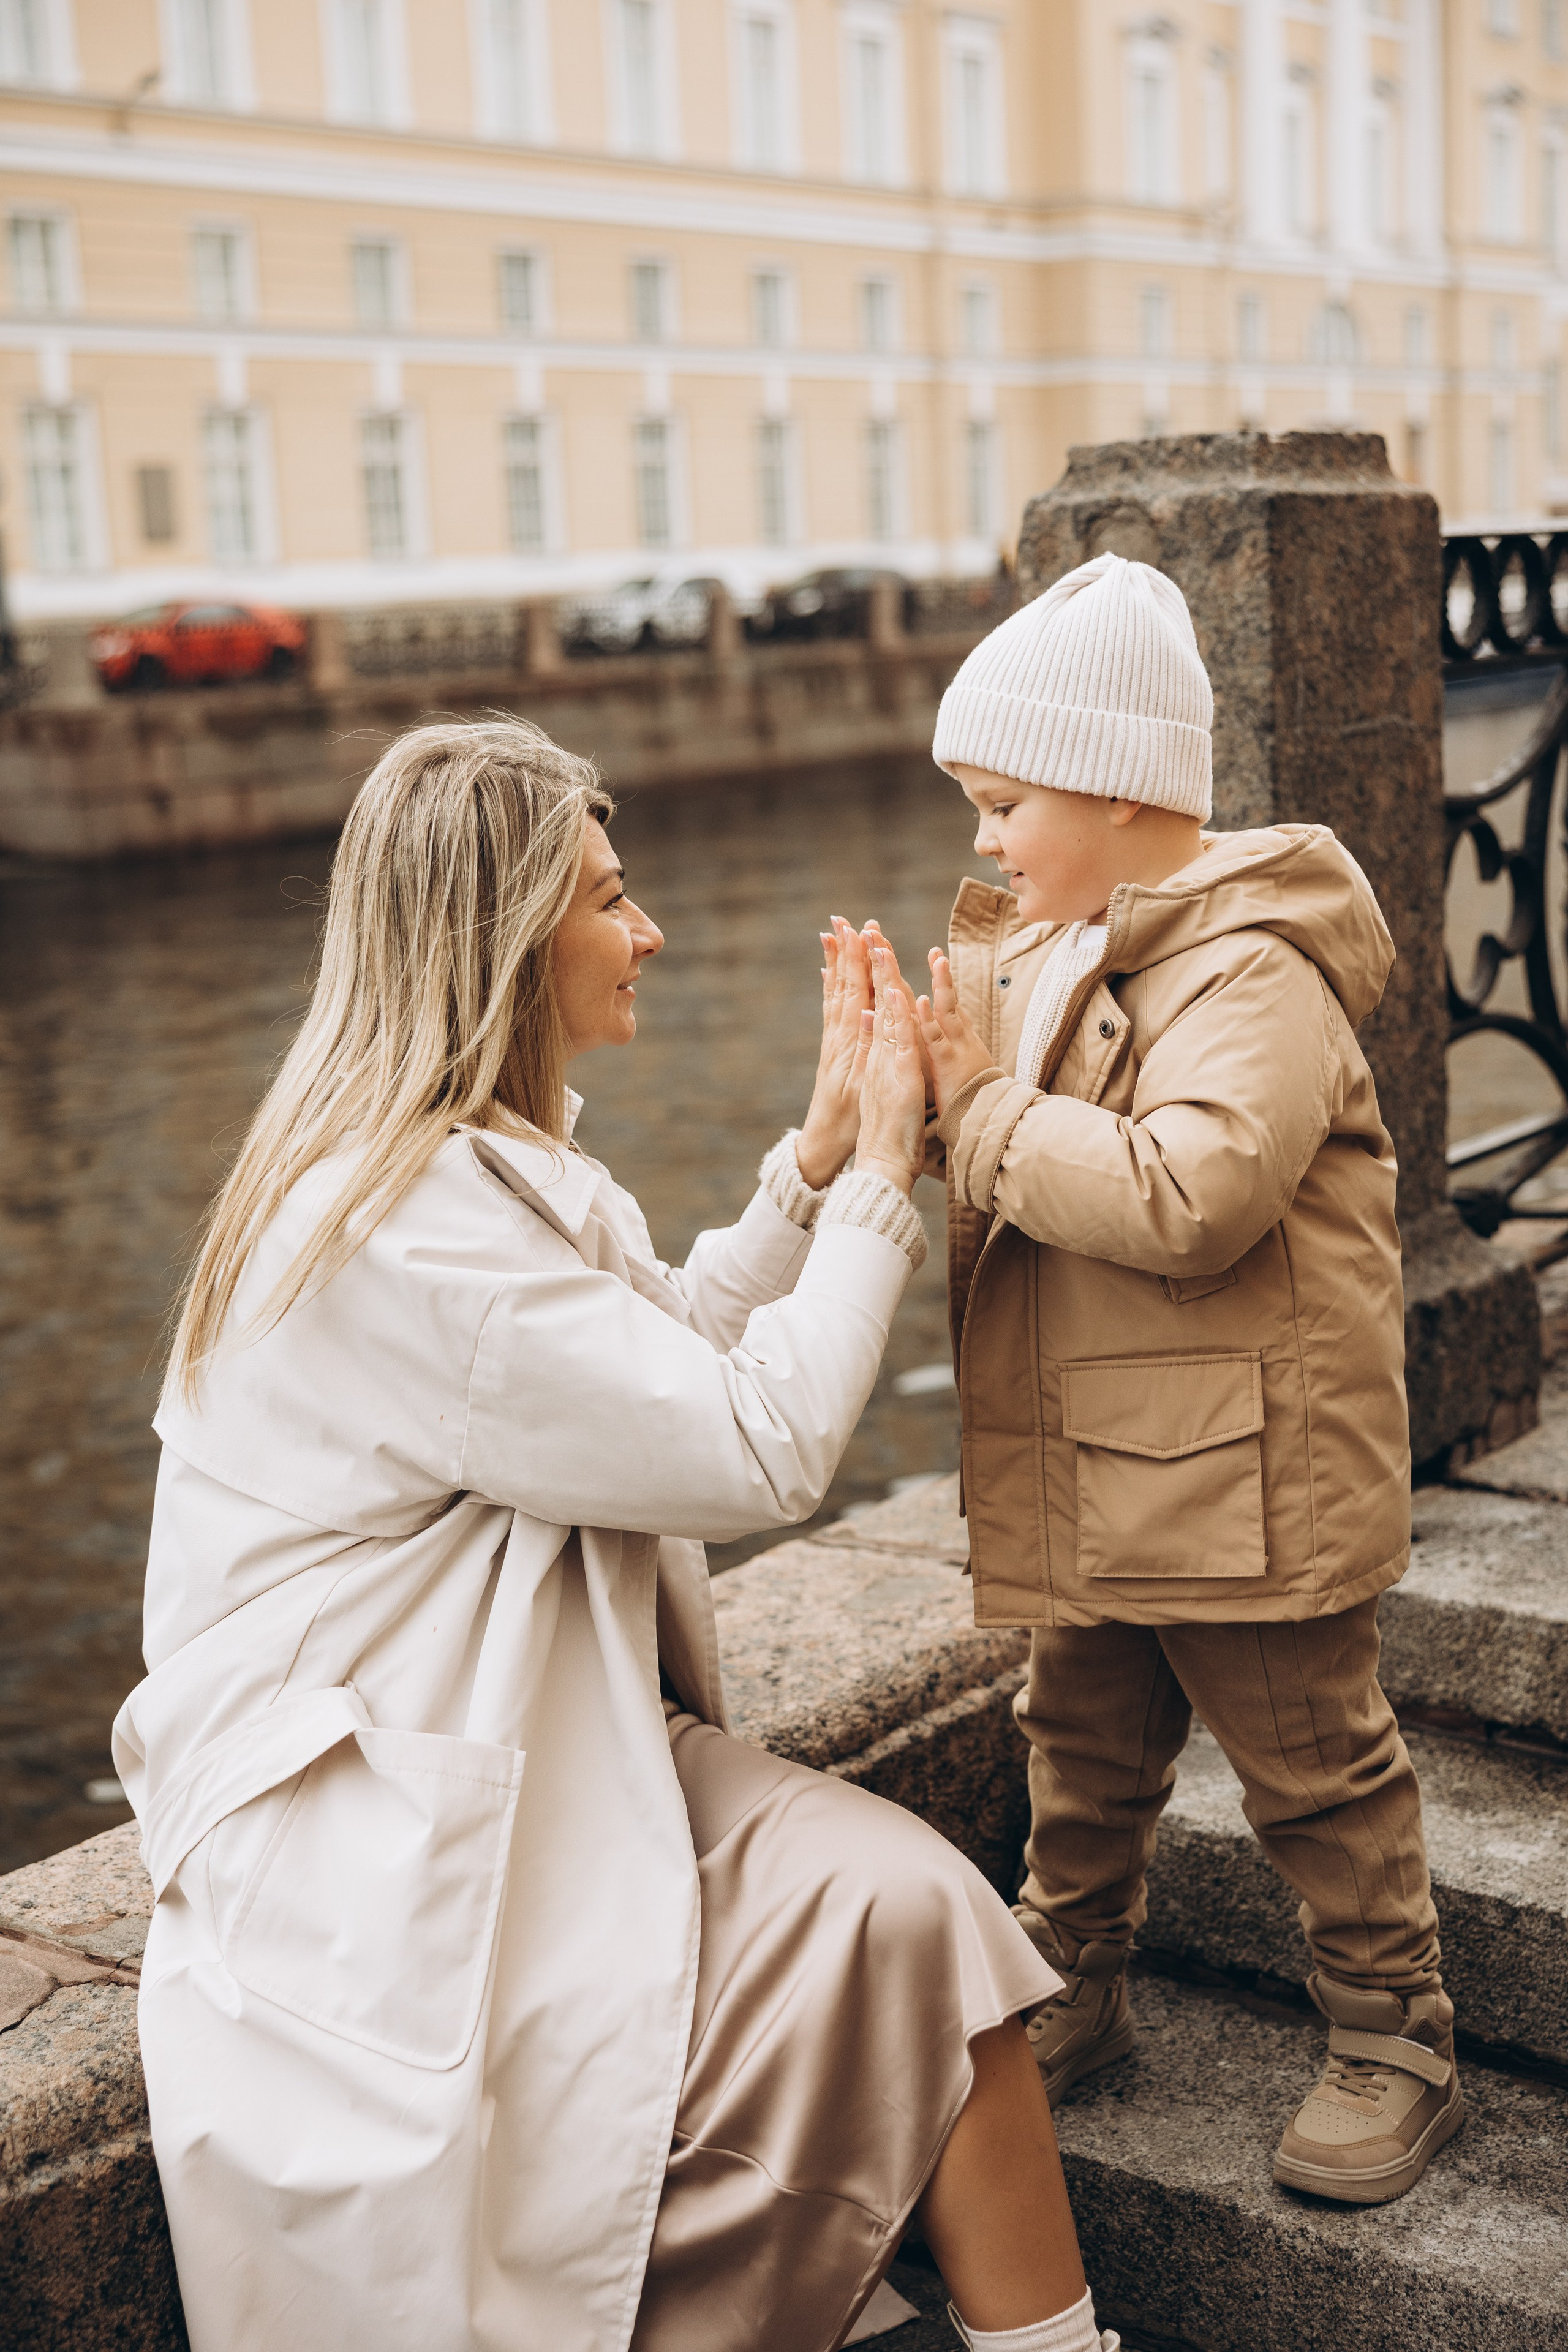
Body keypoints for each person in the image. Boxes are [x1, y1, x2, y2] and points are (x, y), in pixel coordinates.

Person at [111, 718, 1121, 2352]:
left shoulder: (457, 1169)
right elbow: (751, 1440)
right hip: (397, 1837)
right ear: (506, 944)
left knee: (920, 1913)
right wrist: (879, 1176)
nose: (645, 931)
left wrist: (807, 1167)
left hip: (525, 1744)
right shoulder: (401, 1229)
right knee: (909, 1922)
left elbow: (639, 1352)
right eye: (611, 897)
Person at [879, 552, 1460, 2207]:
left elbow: (1186, 1200)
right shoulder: (1049, 948)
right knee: (1080, 1736)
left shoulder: (1250, 973)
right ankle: (1071, 1971)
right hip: (1100, 1451)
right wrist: (902, 1092)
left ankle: (1393, 2028)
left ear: (1123, 792)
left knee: (1314, 1762)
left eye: (1004, 803)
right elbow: (1010, 1154)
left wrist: (978, 1109)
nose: (981, 842)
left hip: (1243, 1474)